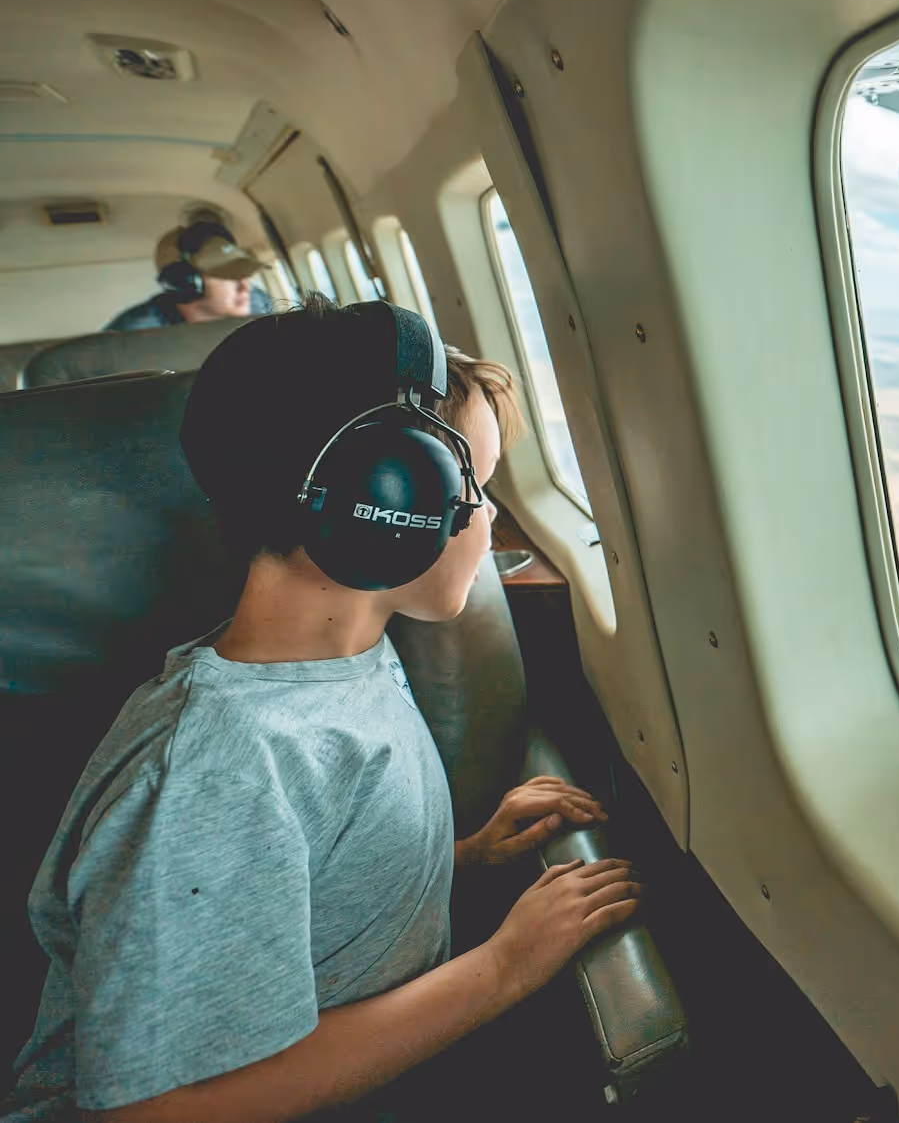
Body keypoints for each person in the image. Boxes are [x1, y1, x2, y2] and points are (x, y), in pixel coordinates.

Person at [3, 297, 639, 1122]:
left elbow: (290, 887)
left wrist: (458, 857)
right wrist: (503, 968)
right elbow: (159, 1108)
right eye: (470, 484)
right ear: (390, 490)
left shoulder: (348, 662)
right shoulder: (219, 766)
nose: (486, 518)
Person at [103, 221, 275, 331]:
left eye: (244, 275)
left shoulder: (259, 302)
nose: (246, 288)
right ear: (185, 285)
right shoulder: (133, 335)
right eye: (228, 277)